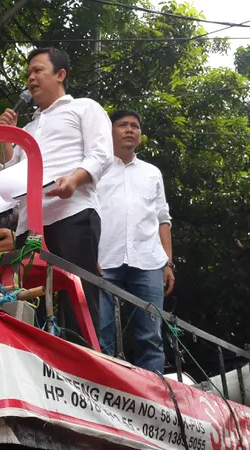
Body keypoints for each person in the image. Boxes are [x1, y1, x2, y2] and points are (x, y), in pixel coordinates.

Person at [0, 47, 112, 336]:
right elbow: (15, 172)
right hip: (29, 224)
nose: (31, 78)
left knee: (79, 297)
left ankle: (85, 365)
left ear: (60, 74)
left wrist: (73, 180)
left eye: (38, 70)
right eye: (28, 74)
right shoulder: (29, 128)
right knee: (27, 298)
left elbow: (101, 153)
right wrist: (8, 139)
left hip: (72, 212)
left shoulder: (84, 107)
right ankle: (34, 360)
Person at [97, 110, 175, 374]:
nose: (130, 129)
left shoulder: (152, 173)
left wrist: (168, 263)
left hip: (149, 261)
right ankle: (100, 395)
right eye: (123, 125)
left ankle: (151, 402)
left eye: (135, 126)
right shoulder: (97, 167)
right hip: (103, 259)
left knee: (150, 337)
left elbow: (163, 218)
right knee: (100, 334)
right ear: (110, 131)